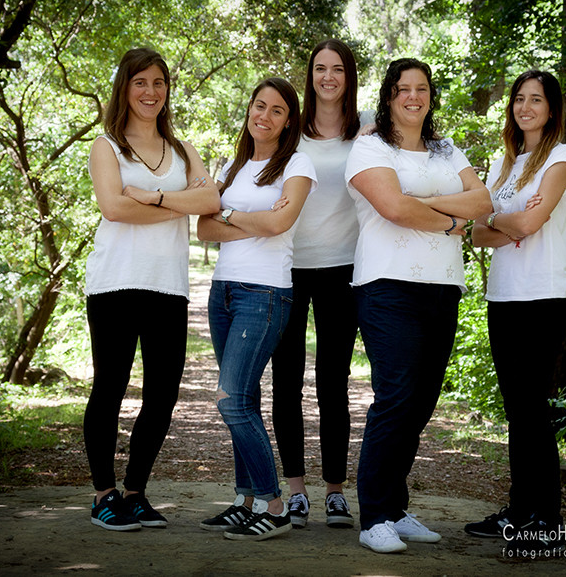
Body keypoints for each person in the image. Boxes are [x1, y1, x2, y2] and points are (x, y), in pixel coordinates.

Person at [345, 58, 492, 553]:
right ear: (389, 96)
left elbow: (483, 202)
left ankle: (396, 506)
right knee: (397, 396)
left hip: (442, 286)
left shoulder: (446, 149)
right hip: (387, 285)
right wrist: (453, 223)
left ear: (431, 96)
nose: (413, 97)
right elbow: (391, 207)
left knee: (422, 401)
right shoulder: (369, 147)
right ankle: (374, 518)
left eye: (422, 88)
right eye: (403, 89)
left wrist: (421, 204)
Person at [84, 47, 220, 531]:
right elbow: (114, 209)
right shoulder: (108, 146)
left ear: (167, 91)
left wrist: (156, 195)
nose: (150, 91)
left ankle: (136, 492)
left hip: (168, 287)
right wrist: (178, 205)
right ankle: (103, 495)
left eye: (159, 82)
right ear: (125, 87)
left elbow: (211, 198)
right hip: (115, 282)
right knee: (111, 388)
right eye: (140, 81)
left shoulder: (181, 151)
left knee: (162, 394)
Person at [197, 77, 316, 541]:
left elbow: (281, 222)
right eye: (259, 106)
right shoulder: (232, 164)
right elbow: (205, 228)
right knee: (242, 400)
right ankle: (244, 500)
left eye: (277, 110)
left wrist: (230, 217)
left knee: (230, 400)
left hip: (264, 293)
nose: (263, 116)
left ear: (289, 122)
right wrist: (251, 222)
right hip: (222, 291)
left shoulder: (298, 164)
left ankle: (274, 505)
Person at [465, 69, 566, 553]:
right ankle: (519, 510)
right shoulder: (505, 162)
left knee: (533, 411)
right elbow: (476, 232)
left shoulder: (561, 157)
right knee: (518, 411)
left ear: (551, 109)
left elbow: (533, 222)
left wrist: (504, 221)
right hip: (504, 297)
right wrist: (501, 221)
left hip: (544, 297)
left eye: (536, 100)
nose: (525, 107)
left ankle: (547, 521)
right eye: (519, 99)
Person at [270, 39, 373, 530]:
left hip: (343, 269)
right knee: (286, 380)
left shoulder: (369, 128)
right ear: (309, 75)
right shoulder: (292, 129)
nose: (328, 77)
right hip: (287, 267)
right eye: (319, 69)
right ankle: (296, 490)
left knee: (333, 381)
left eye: (337, 69)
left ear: (349, 77)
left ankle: (334, 490)